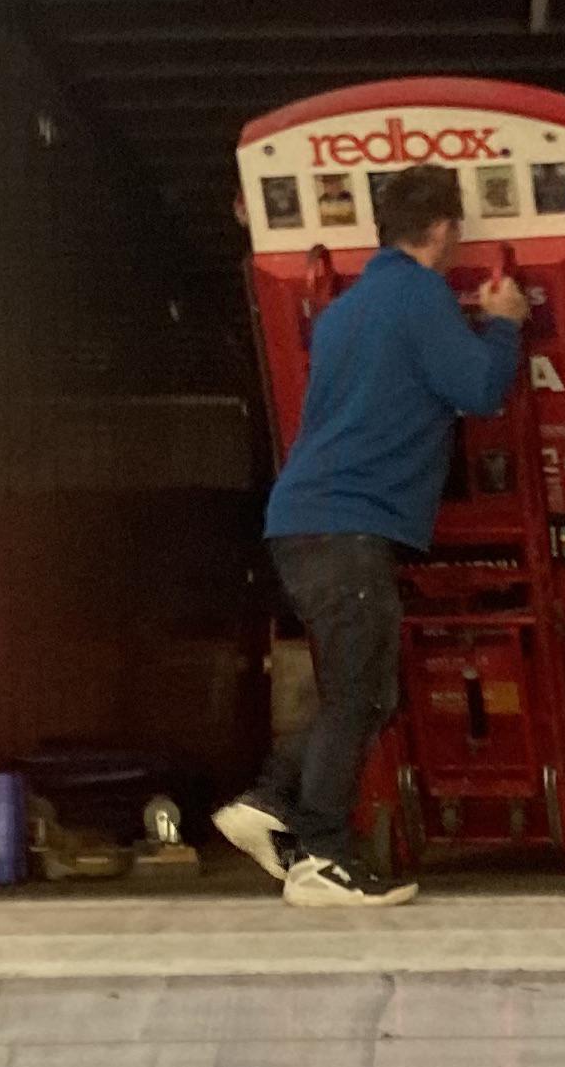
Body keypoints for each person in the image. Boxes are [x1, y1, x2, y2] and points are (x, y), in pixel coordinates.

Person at [216, 164, 528, 907]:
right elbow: (480, 389)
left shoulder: (343, 311)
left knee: (364, 692)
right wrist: (505, 323)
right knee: (361, 693)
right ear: (445, 229)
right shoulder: (420, 297)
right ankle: (318, 853)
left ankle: (274, 806)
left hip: (305, 521)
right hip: (348, 525)